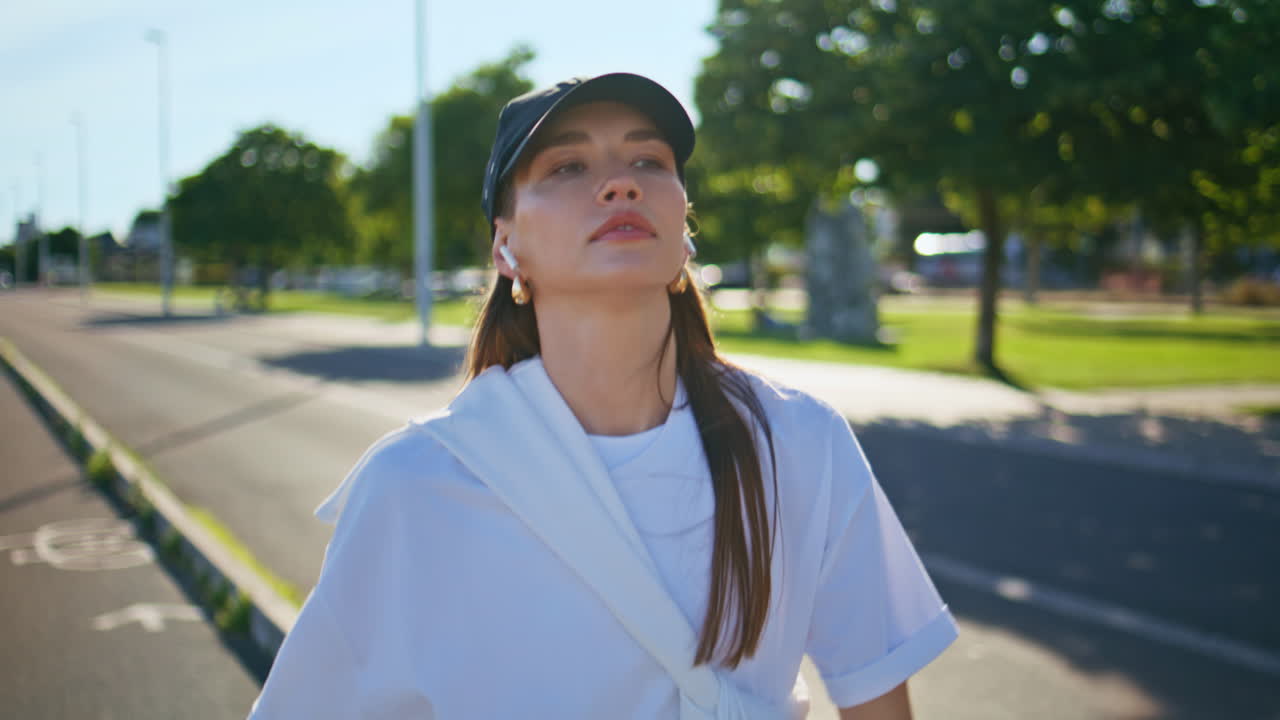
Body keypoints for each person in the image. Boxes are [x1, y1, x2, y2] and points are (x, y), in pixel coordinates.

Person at [248, 72, 956, 719]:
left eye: (649, 161)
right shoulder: (414, 485)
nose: (621, 184)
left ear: (684, 230)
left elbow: (877, 702)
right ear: (506, 248)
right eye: (568, 167)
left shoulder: (801, 443)